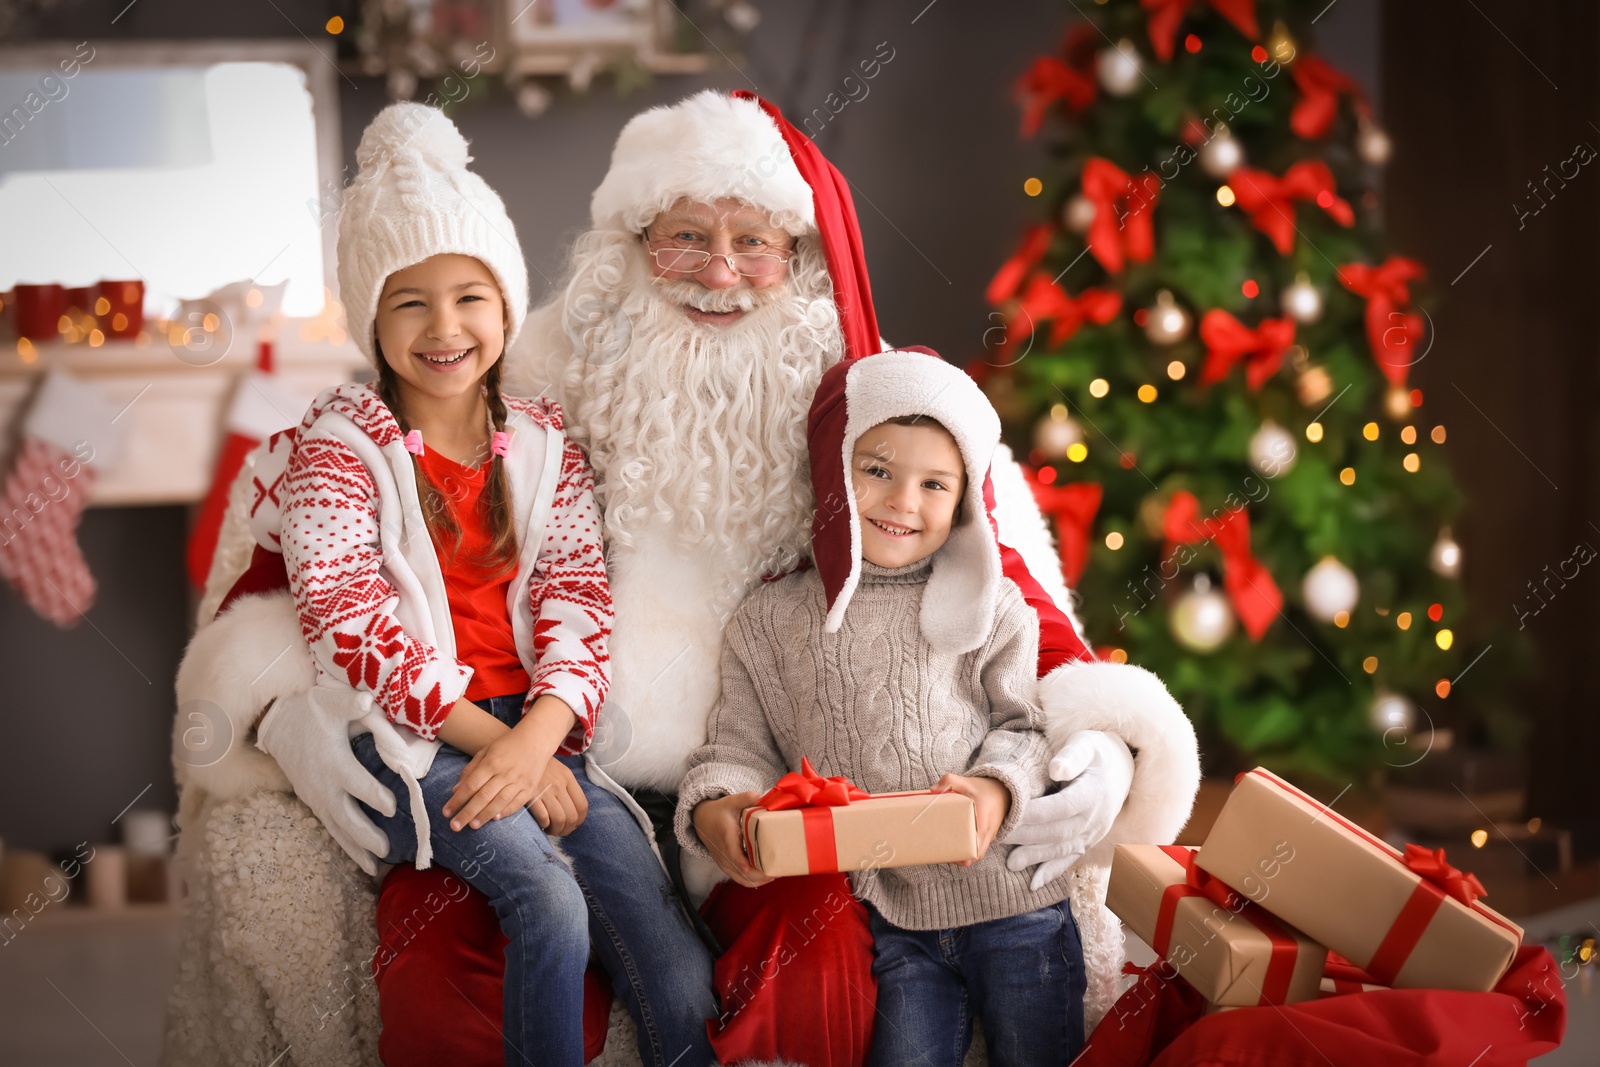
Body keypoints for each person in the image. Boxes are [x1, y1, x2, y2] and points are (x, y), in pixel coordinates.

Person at [172, 90, 1200, 1067]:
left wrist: (1102, 734)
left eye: (754, 239)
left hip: (775, 790)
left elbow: (993, 565)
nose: (719, 270)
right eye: (686, 235)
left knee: (821, 966)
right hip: (551, 754)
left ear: (798, 259)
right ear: (631, 245)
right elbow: (296, 554)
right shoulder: (522, 376)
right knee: (451, 976)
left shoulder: (869, 410)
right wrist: (273, 706)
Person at [167, 103, 716, 1067]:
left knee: (665, 948)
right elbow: (355, 626)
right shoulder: (338, 449)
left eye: (470, 295)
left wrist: (543, 739)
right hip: (419, 736)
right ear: (373, 322)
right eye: (409, 301)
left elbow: (579, 602)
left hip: (535, 728)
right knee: (545, 898)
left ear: (505, 307)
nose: (444, 326)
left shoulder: (545, 445)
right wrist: (500, 747)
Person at [681, 346, 1092, 1066]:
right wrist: (716, 805)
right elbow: (739, 747)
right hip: (895, 916)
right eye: (877, 471)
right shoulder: (770, 621)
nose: (904, 501)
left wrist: (997, 790)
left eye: (935, 483)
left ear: (964, 496)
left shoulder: (995, 608)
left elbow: (1026, 726)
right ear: (831, 470)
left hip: (1013, 900)